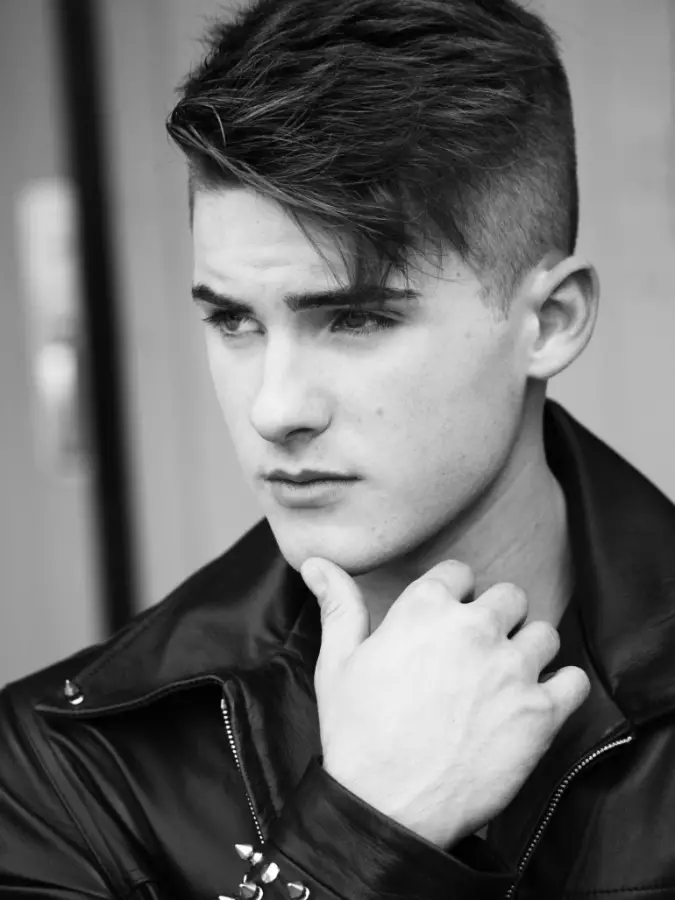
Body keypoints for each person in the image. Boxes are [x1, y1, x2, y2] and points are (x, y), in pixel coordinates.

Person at [2, 0, 675, 897]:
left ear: (548, 321)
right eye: (233, 320)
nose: (274, 408)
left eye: (354, 319)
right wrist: (360, 832)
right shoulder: (70, 768)